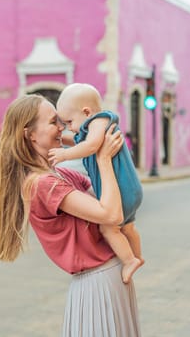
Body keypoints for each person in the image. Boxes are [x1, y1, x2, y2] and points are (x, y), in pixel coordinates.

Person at [0, 94, 141, 336]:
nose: (62, 127)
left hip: (106, 279)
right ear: (30, 134)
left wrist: (95, 142)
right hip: (97, 283)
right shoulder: (42, 184)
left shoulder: (60, 175)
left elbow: (107, 195)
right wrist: (103, 159)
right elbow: (111, 214)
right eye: (54, 122)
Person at [48, 83, 143, 284]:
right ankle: (138, 256)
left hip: (121, 190)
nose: (70, 128)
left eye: (70, 121)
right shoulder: (95, 126)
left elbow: (90, 146)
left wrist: (64, 154)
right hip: (130, 188)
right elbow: (82, 141)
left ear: (86, 112)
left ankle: (129, 260)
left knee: (109, 229)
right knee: (128, 228)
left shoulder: (98, 121)